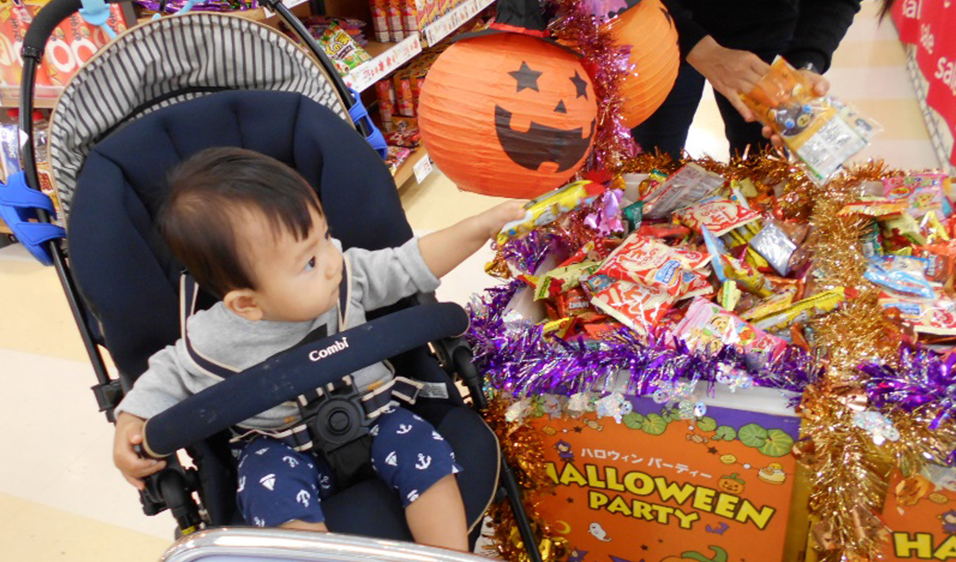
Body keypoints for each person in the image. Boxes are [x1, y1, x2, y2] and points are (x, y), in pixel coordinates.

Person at [111, 147, 525, 551]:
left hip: (378, 415)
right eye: (308, 261)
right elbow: (167, 375)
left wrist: (477, 228)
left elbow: (409, 264)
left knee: (428, 456)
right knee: (270, 499)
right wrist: (130, 421)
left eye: (324, 236)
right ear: (247, 303)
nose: (331, 260)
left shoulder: (348, 276)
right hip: (278, 444)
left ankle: (446, 552)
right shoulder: (211, 340)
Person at [633, 0, 863, 159]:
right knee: (652, 161)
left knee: (761, 166)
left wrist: (806, 63)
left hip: (768, 26)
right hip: (656, 25)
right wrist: (697, 46)